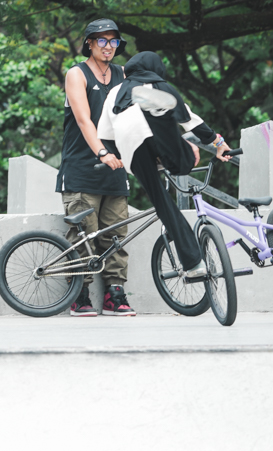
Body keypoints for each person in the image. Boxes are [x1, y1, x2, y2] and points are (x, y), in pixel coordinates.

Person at [96, 52, 233, 280]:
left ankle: (193, 263)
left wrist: (120, 157)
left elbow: (105, 135)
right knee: (183, 162)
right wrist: (218, 143)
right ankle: (175, 147)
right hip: (161, 139)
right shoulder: (159, 86)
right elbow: (190, 120)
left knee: (163, 204)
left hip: (134, 151)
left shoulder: (115, 93)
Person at [56, 18, 134, 316]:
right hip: (82, 169)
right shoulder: (77, 74)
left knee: (116, 234)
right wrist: (101, 151)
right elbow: (83, 119)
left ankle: (115, 294)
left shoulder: (123, 74)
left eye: (113, 41)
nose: (108, 46)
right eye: (102, 40)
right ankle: (79, 294)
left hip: (115, 169)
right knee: (82, 235)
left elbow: (132, 119)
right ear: (89, 43)